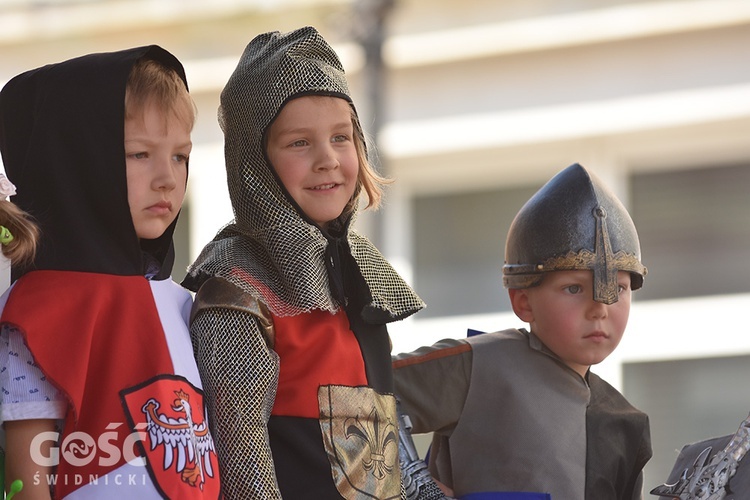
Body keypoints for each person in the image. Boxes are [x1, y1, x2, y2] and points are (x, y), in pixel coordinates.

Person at [182, 26, 425, 499]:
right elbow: (243, 464)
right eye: (299, 143)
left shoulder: (358, 275)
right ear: (255, 161)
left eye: (340, 137)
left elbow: (374, 458)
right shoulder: (237, 287)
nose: (328, 159)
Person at [0, 46, 221, 499]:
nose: (167, 178)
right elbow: (27, 481)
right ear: (74, 161)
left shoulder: (186, 303)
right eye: (140, 154)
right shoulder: (41, 310)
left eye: (180, 156)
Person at [393, 163, 653, 499]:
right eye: (574, 288)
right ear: (523, 302)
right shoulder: (477, 369)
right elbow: (348, 398)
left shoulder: (626, 424)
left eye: (617, 289)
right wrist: (416, 489)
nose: (599, 309)